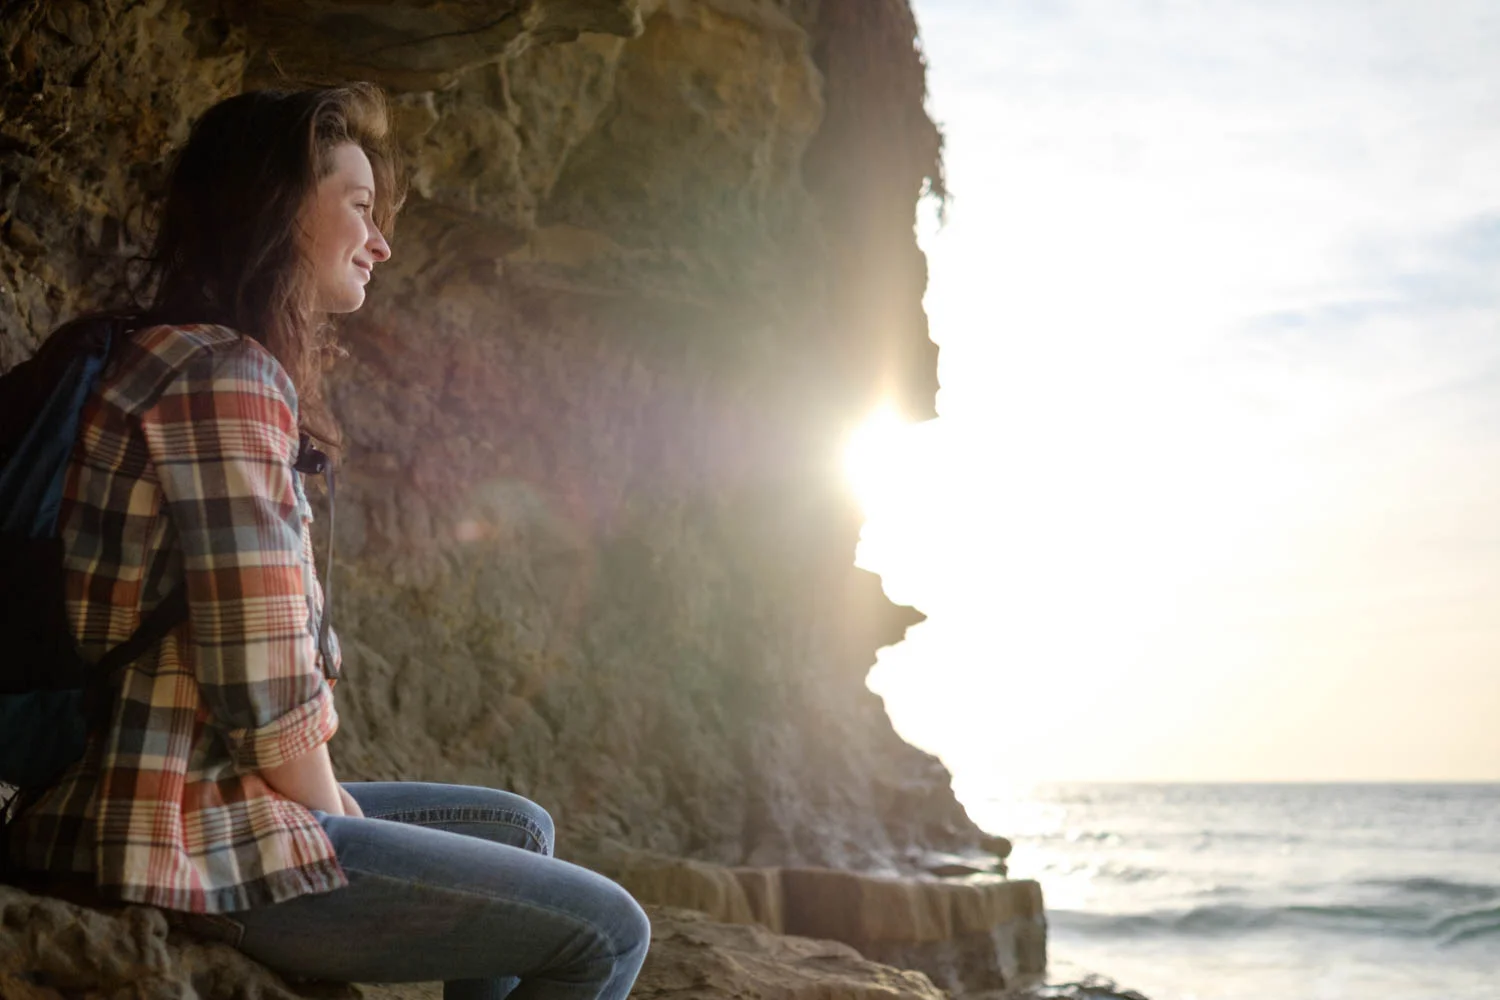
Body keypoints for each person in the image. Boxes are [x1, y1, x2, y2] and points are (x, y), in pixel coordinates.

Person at [3, 84, 650, 1000]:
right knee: (608, 932)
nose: (381, 240)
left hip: (160, 797)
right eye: (359, 207)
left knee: (520, 828)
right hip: (174, 836)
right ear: (280, 212)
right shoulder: (225, 377)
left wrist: (332, 806)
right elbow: (259, 685)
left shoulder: (163, 354)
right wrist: (330, 816)